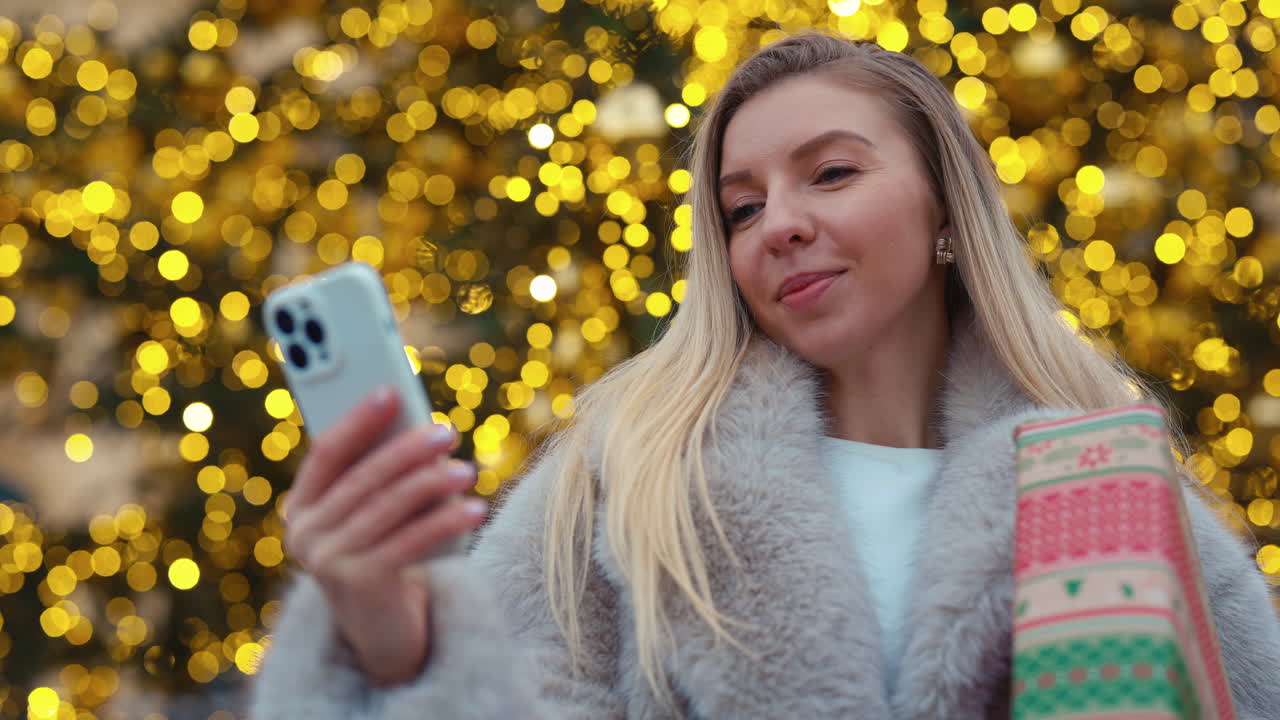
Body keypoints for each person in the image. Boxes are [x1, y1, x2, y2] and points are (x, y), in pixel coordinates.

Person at [249, 32, 1280, 719]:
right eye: (740, 209)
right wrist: (382, 635)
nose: (777, 223)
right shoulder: (622, 489)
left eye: (830, 172)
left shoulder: (1105, 484)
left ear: (944, 220)